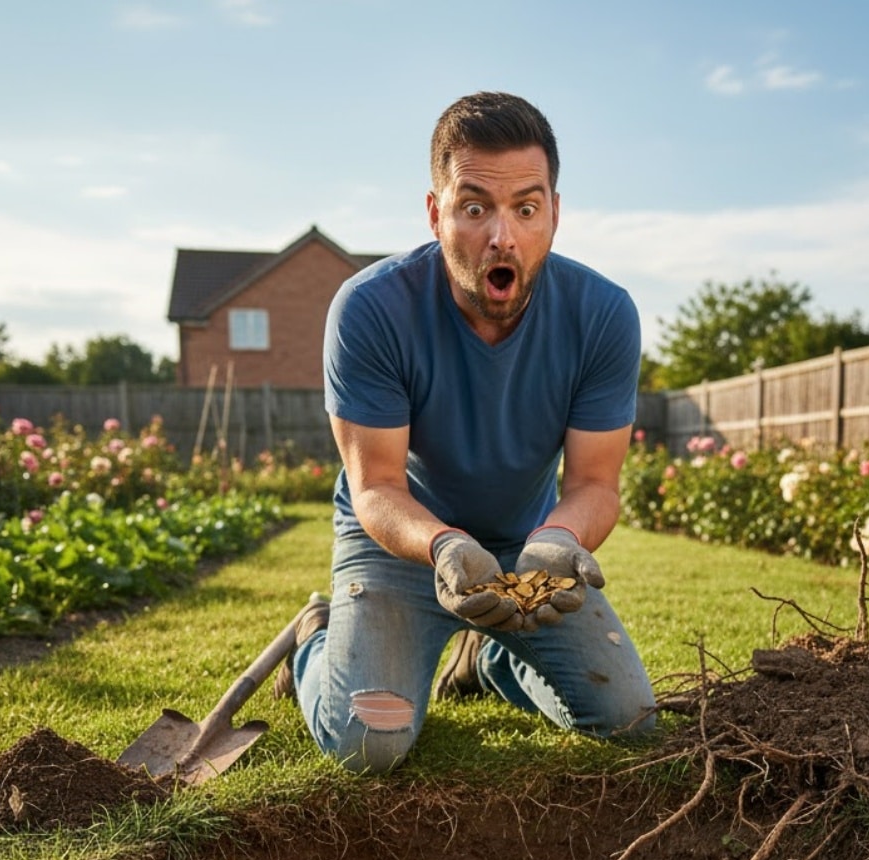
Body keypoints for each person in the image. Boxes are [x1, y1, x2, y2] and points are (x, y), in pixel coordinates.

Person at [274, 90, 655, 773]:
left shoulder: (603, 315)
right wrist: (445, 545)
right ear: (436, 212)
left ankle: (490, 662)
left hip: (526, 546)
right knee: (370, 741)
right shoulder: (371, 310)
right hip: (402, 546)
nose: (501, 236)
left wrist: (557, 540)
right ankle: (314, 641)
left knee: (624, 716)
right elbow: (377, 486)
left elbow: (596, 483)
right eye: (475, 207)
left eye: (526, 209)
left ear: (555, 215)